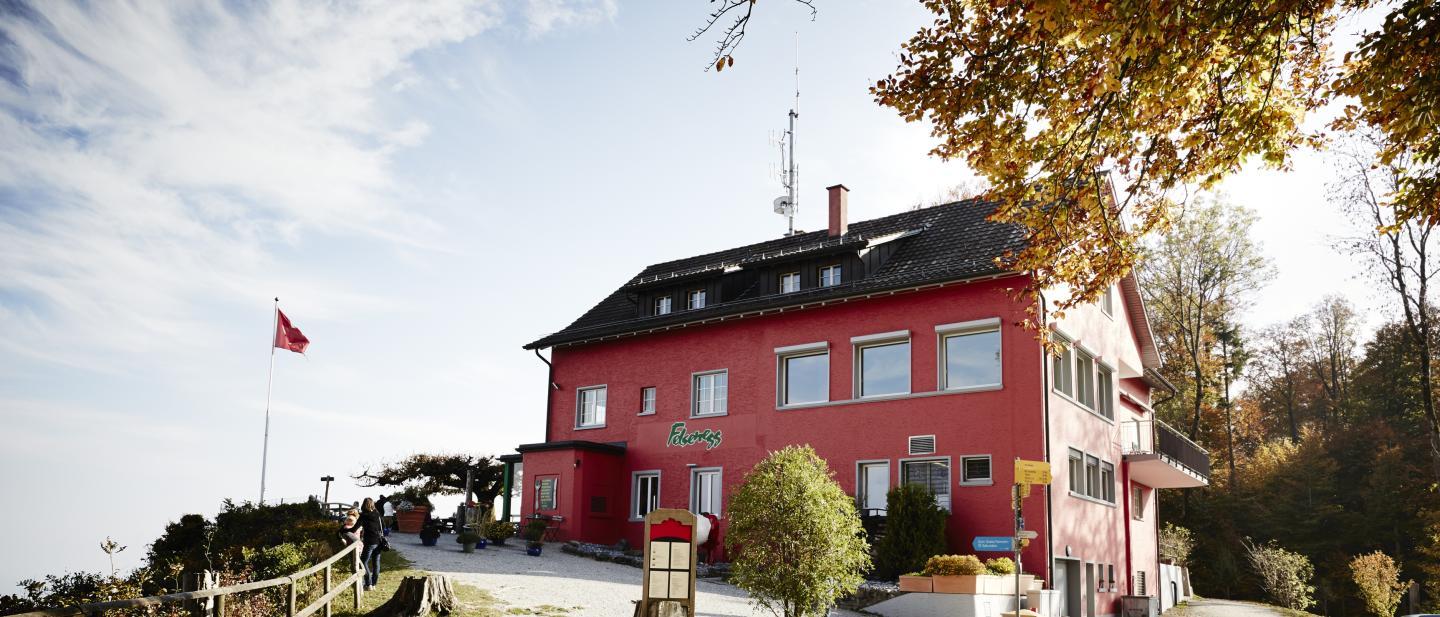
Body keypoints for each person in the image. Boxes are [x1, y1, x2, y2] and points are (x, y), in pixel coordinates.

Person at [341, 497, 385, 590]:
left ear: (363, 505)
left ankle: (368, 583)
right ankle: (374, 584)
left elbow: (354, 529)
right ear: (373, 504)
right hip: (379, 541)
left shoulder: (364, 515)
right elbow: (384, 526)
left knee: (363, 561)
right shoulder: (377, 513)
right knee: (376, 563)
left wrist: (344, 530)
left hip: (370, 542)